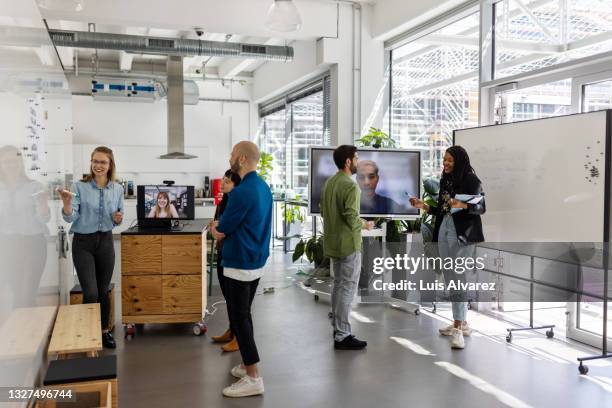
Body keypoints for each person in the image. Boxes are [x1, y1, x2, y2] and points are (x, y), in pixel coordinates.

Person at [211, 141, 272, 398]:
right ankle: (248, 365)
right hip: (255, 260)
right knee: (244, 315)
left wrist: (215, 230)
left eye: (233, 155)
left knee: (240, 319)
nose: (230, 158)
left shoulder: (242, 191)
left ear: (243, 158)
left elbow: (222, 230)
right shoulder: (262, 187)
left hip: (239, 263)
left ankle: (254, 377)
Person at [409, 145, 485, 349]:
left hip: (463, 234)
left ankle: (459, 329)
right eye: (444, 160)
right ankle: (461, 322)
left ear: (459, 161)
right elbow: (442, 209)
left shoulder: (471, 179)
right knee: (450, 277)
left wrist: (463, 205)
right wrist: (423, 206)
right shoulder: (446, 179)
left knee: (458, 277)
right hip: (444, 229)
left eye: (450, 160)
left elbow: (481, 206)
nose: (445, 163)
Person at [59, 146, 124, 349]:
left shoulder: (117, 189)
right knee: (91, 292)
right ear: (91, 163)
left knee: (103, 291)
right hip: (83, 243)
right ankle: (88, 333)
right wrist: (67, 204)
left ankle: (104, 332)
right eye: (95, 161)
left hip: (105, 241)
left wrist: (117, 218)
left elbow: (117, 219)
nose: (98, 166)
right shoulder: (79, 187)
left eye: (103, 162)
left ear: (110, 164)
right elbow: (71, 216)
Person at [320, 145, 374, 351]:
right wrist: (365, 225)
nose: (359, 162)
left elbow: (324, 212)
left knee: (339, 285)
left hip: (333, 242)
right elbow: (351, 217)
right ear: (348, 162)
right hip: (349, 244)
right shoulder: (351, 186)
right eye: (357, 158)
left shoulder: (330, 182)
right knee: (347, 288)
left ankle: (338, 328)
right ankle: (343, 335)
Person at [0, 145, 50, 310]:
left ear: (21, 163)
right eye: (6, 161)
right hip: (7, 244)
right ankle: (21, 332)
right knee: (15, 293)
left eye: (15, 161)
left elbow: (44, 218)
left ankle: (28, 332)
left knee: (27, 294)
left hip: (33, 243)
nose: (11, 165)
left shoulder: (34, 187)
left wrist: (43, 205)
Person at [210, 169, 242, 352]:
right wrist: (215, 226)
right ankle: (231, 331)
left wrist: (217, 228)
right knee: (227, 295)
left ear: (236, 185)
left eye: (227, 181)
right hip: (222, 250)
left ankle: (238, 336)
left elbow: (224, 228)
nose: (222, 183)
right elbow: (218, 224)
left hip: (231, 251)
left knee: (234, 298)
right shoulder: (223, 202)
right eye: (223, 180)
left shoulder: (235, 202)